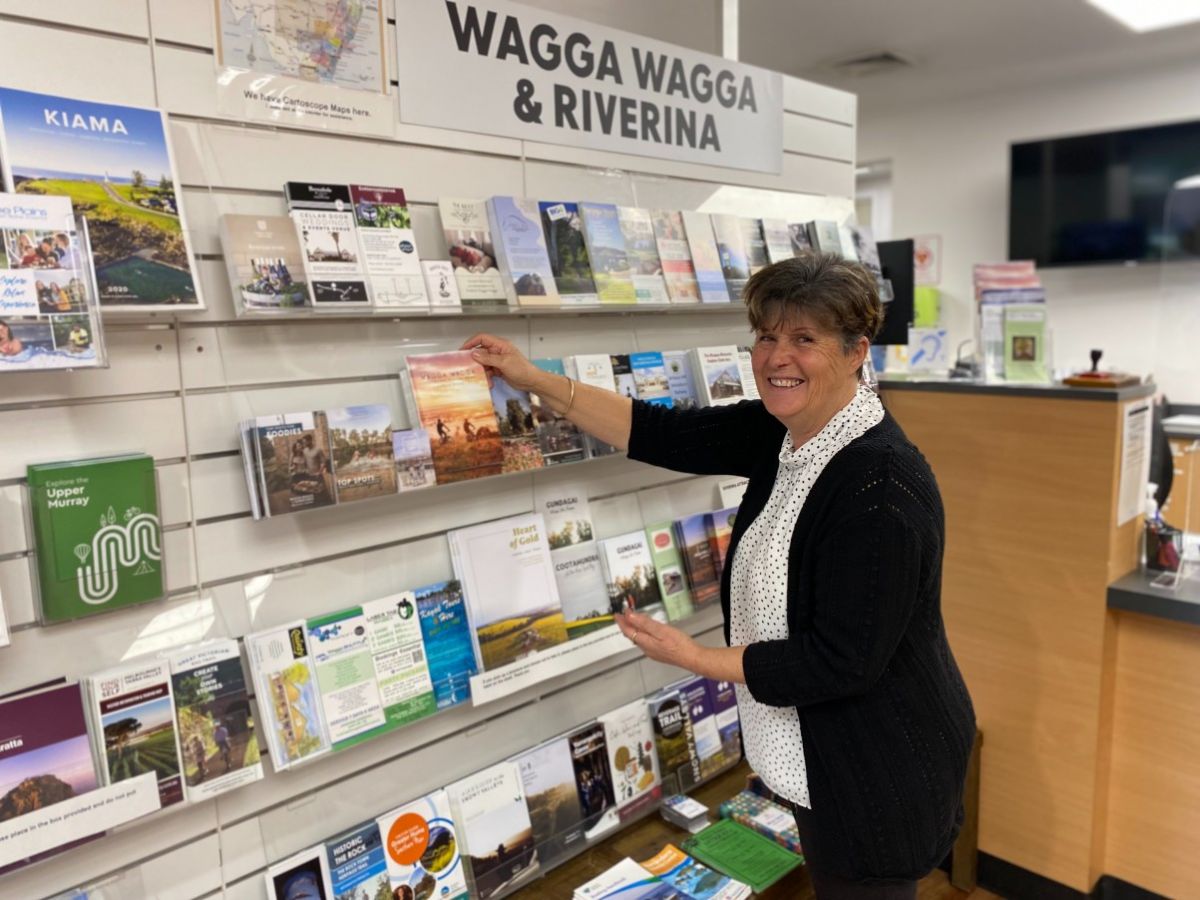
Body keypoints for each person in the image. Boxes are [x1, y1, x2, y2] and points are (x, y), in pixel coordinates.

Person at [461, 254, 975, 899]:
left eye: (804, 339)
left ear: (856, 352)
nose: (777, 357)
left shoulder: (880, 485)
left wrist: (698, 657)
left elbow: (843, 661)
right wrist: (532, 377)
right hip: (823, 760)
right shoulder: (783, 430)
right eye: (767, 337)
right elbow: (660, 432)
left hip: (878, 769)